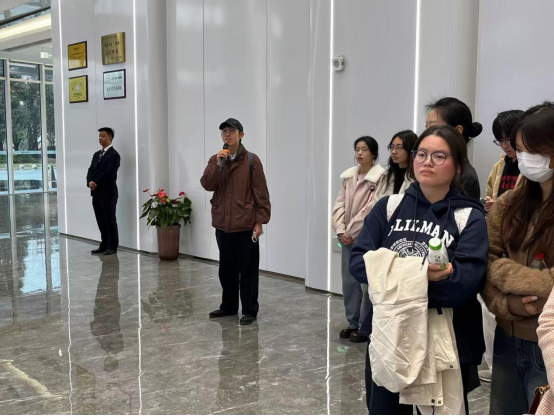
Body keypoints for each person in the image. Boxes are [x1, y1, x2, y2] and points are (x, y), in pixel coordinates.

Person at [350, 126, 488, 415]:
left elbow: (462, 285)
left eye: (439, 156)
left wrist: (389, 278)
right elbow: (359, 263)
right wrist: (421, 274)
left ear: (458, 165)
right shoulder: (389, 207)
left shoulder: (469, 216)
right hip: (389, 336)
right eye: (421, 154)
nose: (427, 162)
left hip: (448, 337)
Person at [482, 102, 554, 415]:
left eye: (533, 150)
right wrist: (510, 304)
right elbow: (485, 262)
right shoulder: (509, 204)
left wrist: (505, 270)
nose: (525, 158)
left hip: (549, 344)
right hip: (507, 336)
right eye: (520, 149)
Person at [200, 118, 271, 326]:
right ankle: (228, 306)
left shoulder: (251, 160)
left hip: (245, 223)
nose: (227, 134)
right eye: (224, 131)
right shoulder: (217, 159)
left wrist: (260, 222)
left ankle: (249, 309)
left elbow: (261, 193)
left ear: (241, 134)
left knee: (247, 269)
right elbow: (207, 184)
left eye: (232, 131)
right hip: (223, 223)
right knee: (226, 269)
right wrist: (216, 164)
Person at [332, 136, 385, 343]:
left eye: (364, 149)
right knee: (349, 282)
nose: (360, 153)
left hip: (366, 238)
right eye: (357, 149)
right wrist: (340, 230)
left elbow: (371, 208)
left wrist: (351, 231)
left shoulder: (380, 178)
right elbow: (339, 205)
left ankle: (365, 325)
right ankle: (352, 322)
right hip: (347, 238)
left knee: (365, 283)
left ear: (374, 153)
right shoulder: (348, 177)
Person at [425, 97, 483, 201]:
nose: (427, 134)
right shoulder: (427, 167)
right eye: (427, 127)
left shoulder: (465, 177)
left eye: (433, 127)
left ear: (457, 131)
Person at [87, 127, 121, 256]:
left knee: (109, 219)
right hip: (96, 193)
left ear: (110, 138)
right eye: (99, 136)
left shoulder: (114, 155)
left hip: (108, 193)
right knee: (100, 219)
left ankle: (112, 245)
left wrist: (95, 182)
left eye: (103, 136)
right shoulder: (96, 154)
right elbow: (90, 170)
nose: (100, 138)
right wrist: (89, 182)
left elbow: (109, 173)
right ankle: (104, 243)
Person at [484, 110, 525, 213]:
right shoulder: (499, 166)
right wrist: (488, 204)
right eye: (500, 141)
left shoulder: (531, 167)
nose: (504, 146)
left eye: (508, 139)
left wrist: (500, 207)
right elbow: (489, 194)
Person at [371, 130, 418, 202]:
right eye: (392, 147)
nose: (393, 151)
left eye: (398, 148)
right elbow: (377, 201)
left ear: (410, 149)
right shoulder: (386, 175)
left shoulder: (417, 177)